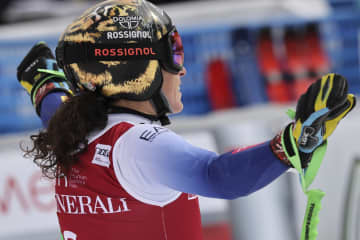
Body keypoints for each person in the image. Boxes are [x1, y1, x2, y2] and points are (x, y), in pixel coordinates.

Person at [16, 0, 356, 239]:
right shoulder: (136, 146)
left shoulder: (74, 129)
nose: (182, 68)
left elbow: (53, 104)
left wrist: (45, 84)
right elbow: (216, 176)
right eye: (173, 55)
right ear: (135, 69)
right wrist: (296, 142)